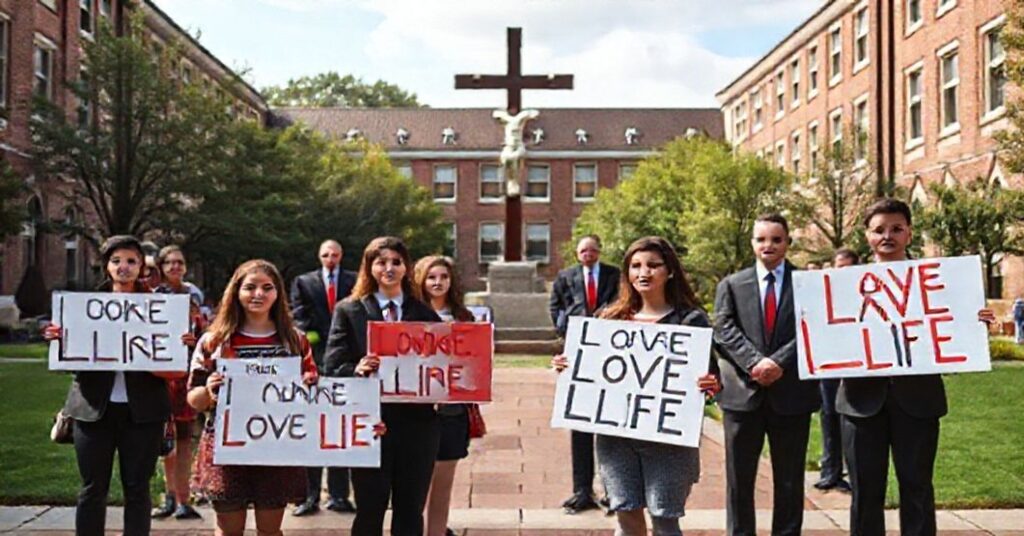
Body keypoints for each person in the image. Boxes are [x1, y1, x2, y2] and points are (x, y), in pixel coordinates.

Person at [838, 199, 995, 536]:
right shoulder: (843, 285)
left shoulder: (938, 282)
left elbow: (952, 332)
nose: (887, 236)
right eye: (879, 230)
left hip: (918, 400)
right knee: (865, 492)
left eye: (896, 229)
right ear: (867, 236)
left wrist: (974, 322)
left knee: (917, 488)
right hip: (860, 402)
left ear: (909, 233)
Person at [552, 236, 720, 536]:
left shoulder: (690, 321)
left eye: (653, 265)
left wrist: (709, 384)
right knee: (626, 514)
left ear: (669, 271)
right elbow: (590, 370)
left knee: (665, 519)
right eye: (636, 266)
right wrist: (567, 366)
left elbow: (711, 379)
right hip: (616, 438)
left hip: (668, 440)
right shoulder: (609, 318)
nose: (644, 273)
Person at [42, 235, 192, 536]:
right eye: (116, 261)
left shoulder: (161, 309)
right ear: (107, 266)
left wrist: (179, 346)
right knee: (92, 488)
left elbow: (175, 371)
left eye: (131, 261)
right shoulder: (83, 307)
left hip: (144, 413)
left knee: (137, 488)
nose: (124, 267)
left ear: (142, 267)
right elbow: (72, 362)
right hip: (92, 410)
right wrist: (60, 340)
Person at [186, 259, 318, 536]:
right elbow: (194, 399)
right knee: (228, 531)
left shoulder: (295, 341)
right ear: (236, 291)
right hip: (226, 447)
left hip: (276, 447)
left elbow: (314, 396)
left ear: (278, 293)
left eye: (267, 288)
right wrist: (208, 391)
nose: (258, 294)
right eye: (250, 287)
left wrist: (308, 388)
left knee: (270, 530)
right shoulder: (214, 341)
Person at [324, 236, 443, 536]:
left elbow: (443, 363)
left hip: (417, 425)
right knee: (370, 508)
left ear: (406, 268)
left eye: (396, 262)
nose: (389, 268)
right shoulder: (349, 310)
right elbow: (333, 366)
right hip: (369, 422)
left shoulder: (424, 313)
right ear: (369, 267)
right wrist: (357, 369)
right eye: (381, 262)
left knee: (410, 509)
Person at [713, 213, 820, 536]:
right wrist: (754, 363)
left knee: (789, 479)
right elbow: (723, 329)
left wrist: (779, 362)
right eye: (761, 239)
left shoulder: (807, 284)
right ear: (752, 243)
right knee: (739, 479)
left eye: (776, 239)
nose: (768, 245)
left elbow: (814, 326)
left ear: (788, 242)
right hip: (742, 395)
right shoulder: (732, 285)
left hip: (792, 395)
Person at [548, 234, 621, 514]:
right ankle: (582, 490)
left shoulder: (614, 275)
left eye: (592, 250)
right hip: (578, 351)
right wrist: (564, 329)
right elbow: (555, 305)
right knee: (580, 423)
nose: (587, 254)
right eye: (583, 250)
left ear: (599, 251)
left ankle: (613, 490)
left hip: (611, 351)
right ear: (577, 254)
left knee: (611, 424)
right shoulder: (566, 276)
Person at [289, 239, 357, 516]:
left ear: (341, 255)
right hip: (314, 361)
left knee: (339, 429)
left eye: (335, 254)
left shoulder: (353, 280)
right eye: (326, 254)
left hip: (344, 362)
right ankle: (309, 495)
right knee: (312, 430)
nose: (331, 258)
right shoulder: (304, 282)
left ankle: (339, 494)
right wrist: (317, 345)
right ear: (320, 256)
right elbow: (300, 317)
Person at [414, 256, 477, 536]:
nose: (438, 282)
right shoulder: (408, 315)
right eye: (431, 277)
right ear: (420, 280)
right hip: (415, 412)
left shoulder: (465, 317)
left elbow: (476, 363)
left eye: (444, 277)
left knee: (443, 482)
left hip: (452, 411)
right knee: (416, 484)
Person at [151, 245, 205, 520]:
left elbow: (204, 333)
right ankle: (169, 496)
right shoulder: (153, 297)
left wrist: (195, 340)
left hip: (186, 378)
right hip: (161, 379)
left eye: (180, 262)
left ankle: (184, 499)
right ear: (161, 267)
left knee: (185, 441)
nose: (175, 267)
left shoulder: (193, 295)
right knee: (166, 443)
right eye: (169, 262)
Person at [810, 247, 860, 494]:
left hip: (857, 364)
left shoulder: (864, 294)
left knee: (852, 420)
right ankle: (830, 472)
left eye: (848, 268)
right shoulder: (822, 294)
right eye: (839, 268)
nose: (843, 273)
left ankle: (853, 472)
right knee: (829, 416)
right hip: (828, 364)